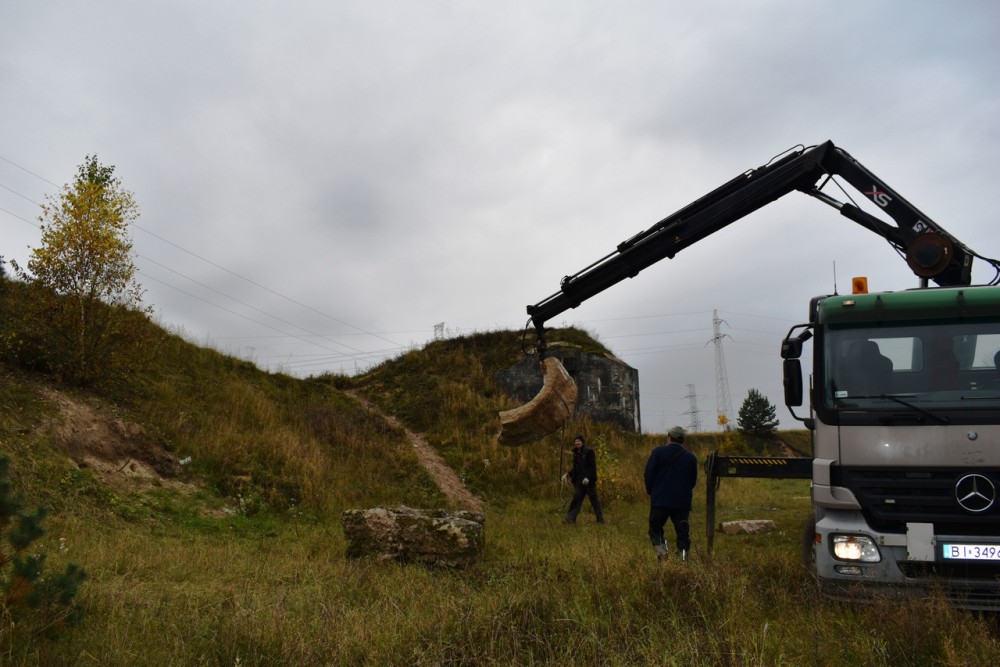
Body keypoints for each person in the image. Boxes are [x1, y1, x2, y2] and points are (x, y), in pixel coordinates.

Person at [644, 425, 698, 560]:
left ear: (669, 437)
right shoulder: (691, 458)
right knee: (682, 533)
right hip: (682, 502)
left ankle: (662, 554)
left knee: (655, 530)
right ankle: (683, 559)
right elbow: (692, 482)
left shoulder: (658, 453)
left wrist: (652, 492)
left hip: (660, 500)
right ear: (683, 440)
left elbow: (649, 475)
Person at [562, 435, 604, 524]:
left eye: (579, 441)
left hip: (589, 482)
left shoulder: (589, 451)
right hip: (579, 482)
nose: (577, 443)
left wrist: (588, 478)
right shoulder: (576, 453)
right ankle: (570, 519)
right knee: (576, 499)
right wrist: (568, 474)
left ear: (582, 442)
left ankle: (600, 520)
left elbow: (592, 466)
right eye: (575, 441)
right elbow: (576, 468)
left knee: (594, 500)